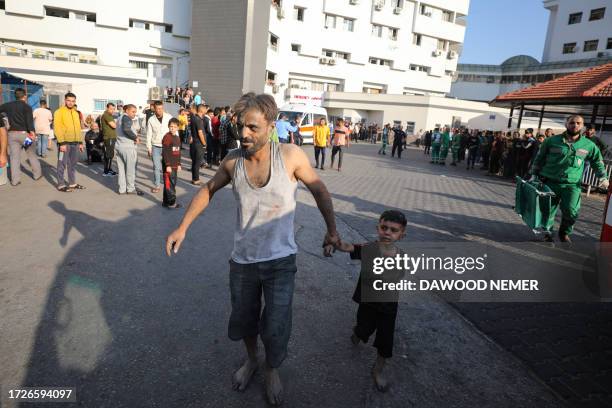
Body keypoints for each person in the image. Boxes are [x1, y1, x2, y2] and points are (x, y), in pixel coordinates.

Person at [165, 92, 340, 406]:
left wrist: (331, 230)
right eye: (240, 127)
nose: (244, 134)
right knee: (245, 320)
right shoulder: (233, 161)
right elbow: (207, 189)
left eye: (253, 128)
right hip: (243, 261)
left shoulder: (290, 156)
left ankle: (272, 369)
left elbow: (319, 189)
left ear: (270, 126)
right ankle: (252, 359)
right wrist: (182, 227)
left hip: (281, 261)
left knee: (276, 324)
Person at [332, 210, 407, 392]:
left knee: (386, 342)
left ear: (401, 235)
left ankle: (377, 371)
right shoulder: (369, 248)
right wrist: (334, 241)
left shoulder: (402, 256)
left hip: (388, 308)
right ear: (378, 228)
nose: (388, 232)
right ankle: (357, 333)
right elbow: (349, 247)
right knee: (363, 329)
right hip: (368, 304)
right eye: (384, 228)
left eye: (394, 230)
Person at [530, 115, 609, 243]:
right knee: (547, 210)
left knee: (572, 211)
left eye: (578, 123)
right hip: (550, 182)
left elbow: (597, 162)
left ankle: (564, 232)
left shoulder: (588, 145)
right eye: (572, 122)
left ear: (582, 126)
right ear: (566, 124)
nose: (575, 125)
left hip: (572, 185)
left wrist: (603, 177)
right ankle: (548, 232)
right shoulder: (551, 141)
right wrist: (534, 174)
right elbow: (539, 158)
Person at [0, 88, 43, 186]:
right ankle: (37, 175)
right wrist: (32, 133)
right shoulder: (27, 106)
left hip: (12, 135)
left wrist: (3, 122)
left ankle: (15, 181)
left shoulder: (8, 105)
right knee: (31, 154)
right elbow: (29, 121)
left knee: (14, 157)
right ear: (25, 96)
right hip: (25, 135)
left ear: (15, 96)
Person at [54, 92, 85, 192]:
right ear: (65, 100)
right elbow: (57, 128)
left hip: (75, 143)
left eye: (73, 101)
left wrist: (80, 142)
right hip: (65, 143)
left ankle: (72, 183)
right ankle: (61, 184)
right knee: (61, 164)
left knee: (73, 164)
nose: (71, 103)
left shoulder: (76, 113)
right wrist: (62, 143)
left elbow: (78, 128)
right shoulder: (59, 112)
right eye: (69, 100)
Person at [115, 104, 143, 196]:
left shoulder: (119, 118)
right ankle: (130, 189)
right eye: (133, 111)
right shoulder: (126, 118)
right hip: (128, 147)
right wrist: (135, 138)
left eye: (135, 112)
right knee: (130, 169)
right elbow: (126, 129)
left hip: (119, 145)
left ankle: (122, 189)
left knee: (121, 169)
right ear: (127, 110)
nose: (134, 114)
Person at [146, 101, 172, 193]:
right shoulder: (151, 120)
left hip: (167, 146)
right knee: (156, 167)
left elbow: (174, 131)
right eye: (158, 109)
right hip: (155, 146)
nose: (159, 110)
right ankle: (157, 185)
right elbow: (148, 134)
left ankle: (167, 184)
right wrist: (149, 147)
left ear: (163, 108)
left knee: (167, 167)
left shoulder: (169, 117)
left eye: (161, 108)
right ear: (154, 108)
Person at [162, 118, 182, 208]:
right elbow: (165, 152)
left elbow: (178, 152)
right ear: (168, 127)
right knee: (169, 184)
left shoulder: (177, 138)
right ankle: (171, 203)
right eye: (171, 126)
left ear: (178, 127)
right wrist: (168, 165)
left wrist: (179, 164)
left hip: (175, 165)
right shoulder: (167, 137)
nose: (172, 128)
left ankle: (166, 202)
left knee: (171, 183)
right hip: (169, 166)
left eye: (174, 127)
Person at [190, 104, 207, 184]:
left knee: (194, 162)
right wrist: (204, 144)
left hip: (194, 143)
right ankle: (196, 179)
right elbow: (200, 133)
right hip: (199, 144)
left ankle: (194, 178)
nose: (206, 110)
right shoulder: (198, 120)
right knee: (197, 163)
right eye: (205, 109)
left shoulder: (194, 118)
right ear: (202, 110)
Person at [100, 103, 118, 176]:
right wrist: (115, 122)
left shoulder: (109, 115)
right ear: (107, 108)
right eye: (111, 109)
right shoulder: (106, 115)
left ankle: (109, 169)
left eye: (114, 109)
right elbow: (114, 126)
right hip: (109, 137)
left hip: (111, 137)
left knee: (111, 154)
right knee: (108, 154)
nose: (112, 110)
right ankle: (106, 171)